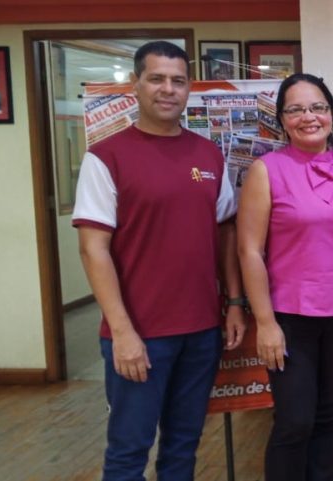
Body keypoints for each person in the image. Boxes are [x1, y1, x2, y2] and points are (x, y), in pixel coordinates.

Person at [73, 40, 246, 480]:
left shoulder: (208, 155)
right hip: (140, 335)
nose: (168, 89)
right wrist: (123, 332)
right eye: (156, 79)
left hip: (201, 332)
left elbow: (225, 231)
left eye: (178, 81)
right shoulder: (105, 157)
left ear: (189, 88)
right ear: (136, 85)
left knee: (183, 448)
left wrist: (233, 303)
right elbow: (93, 249)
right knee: (128, 452)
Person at [237, 73, 333, 481]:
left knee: (327, 421)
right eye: (296, 109)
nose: (309, 117)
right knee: (294, 424)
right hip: (290, 320)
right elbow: (249, 251)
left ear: (331, 115)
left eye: (318, 107)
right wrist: (265, 323)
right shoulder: (267, 171)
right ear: (282, 120)